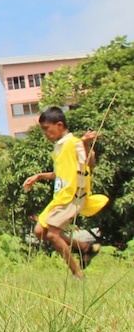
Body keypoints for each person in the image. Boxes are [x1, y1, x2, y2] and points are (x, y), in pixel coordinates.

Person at [23, 106, 108, 279]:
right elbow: (59, 173)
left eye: (47, 129)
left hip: (73, 195)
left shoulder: (74, 142)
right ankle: (85, 248)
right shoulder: (59, 147)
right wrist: (38, 176)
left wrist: (85, 142)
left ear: (60, 125)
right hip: (61, 196)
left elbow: (89, 163)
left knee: (53, 235)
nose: (45, 133)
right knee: (40, 232)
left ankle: (78, 275)